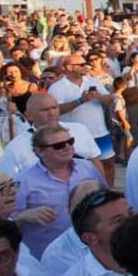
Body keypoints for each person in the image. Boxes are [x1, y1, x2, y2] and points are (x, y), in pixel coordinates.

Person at [13, 124, 107, 258]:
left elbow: (106, 197)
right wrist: (23, 215)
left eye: (70, 142)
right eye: (59, 145)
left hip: (90, 251)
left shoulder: (87, 168)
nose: (68, 147)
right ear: (40, 151)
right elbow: (8, 219)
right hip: (47, 256)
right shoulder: (24, 181)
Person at [47, 52, 116, 186]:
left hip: (99, 131)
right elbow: (56, 110)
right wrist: (80, 101)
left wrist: (99, 97)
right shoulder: (57, 87)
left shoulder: (93, 81)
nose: (86, 66)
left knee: (108, 162)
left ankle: (109, 192)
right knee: (79, 166)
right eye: (82, 64)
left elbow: (109, 100)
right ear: (69, 67)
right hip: (74, 136)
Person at [0, 93, 102, 178]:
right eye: (44, 110)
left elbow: (95, 161)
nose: (51, 113)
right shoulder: (16, 146)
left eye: (54, 108)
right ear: (28, 115)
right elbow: (9, 179)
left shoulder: (79, 129)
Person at [39, 179, 103, 276]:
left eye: (93, 206)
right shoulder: (56, 255)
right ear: (69, 210)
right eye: (80, 208)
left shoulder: (122, 236)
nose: (87, 214)